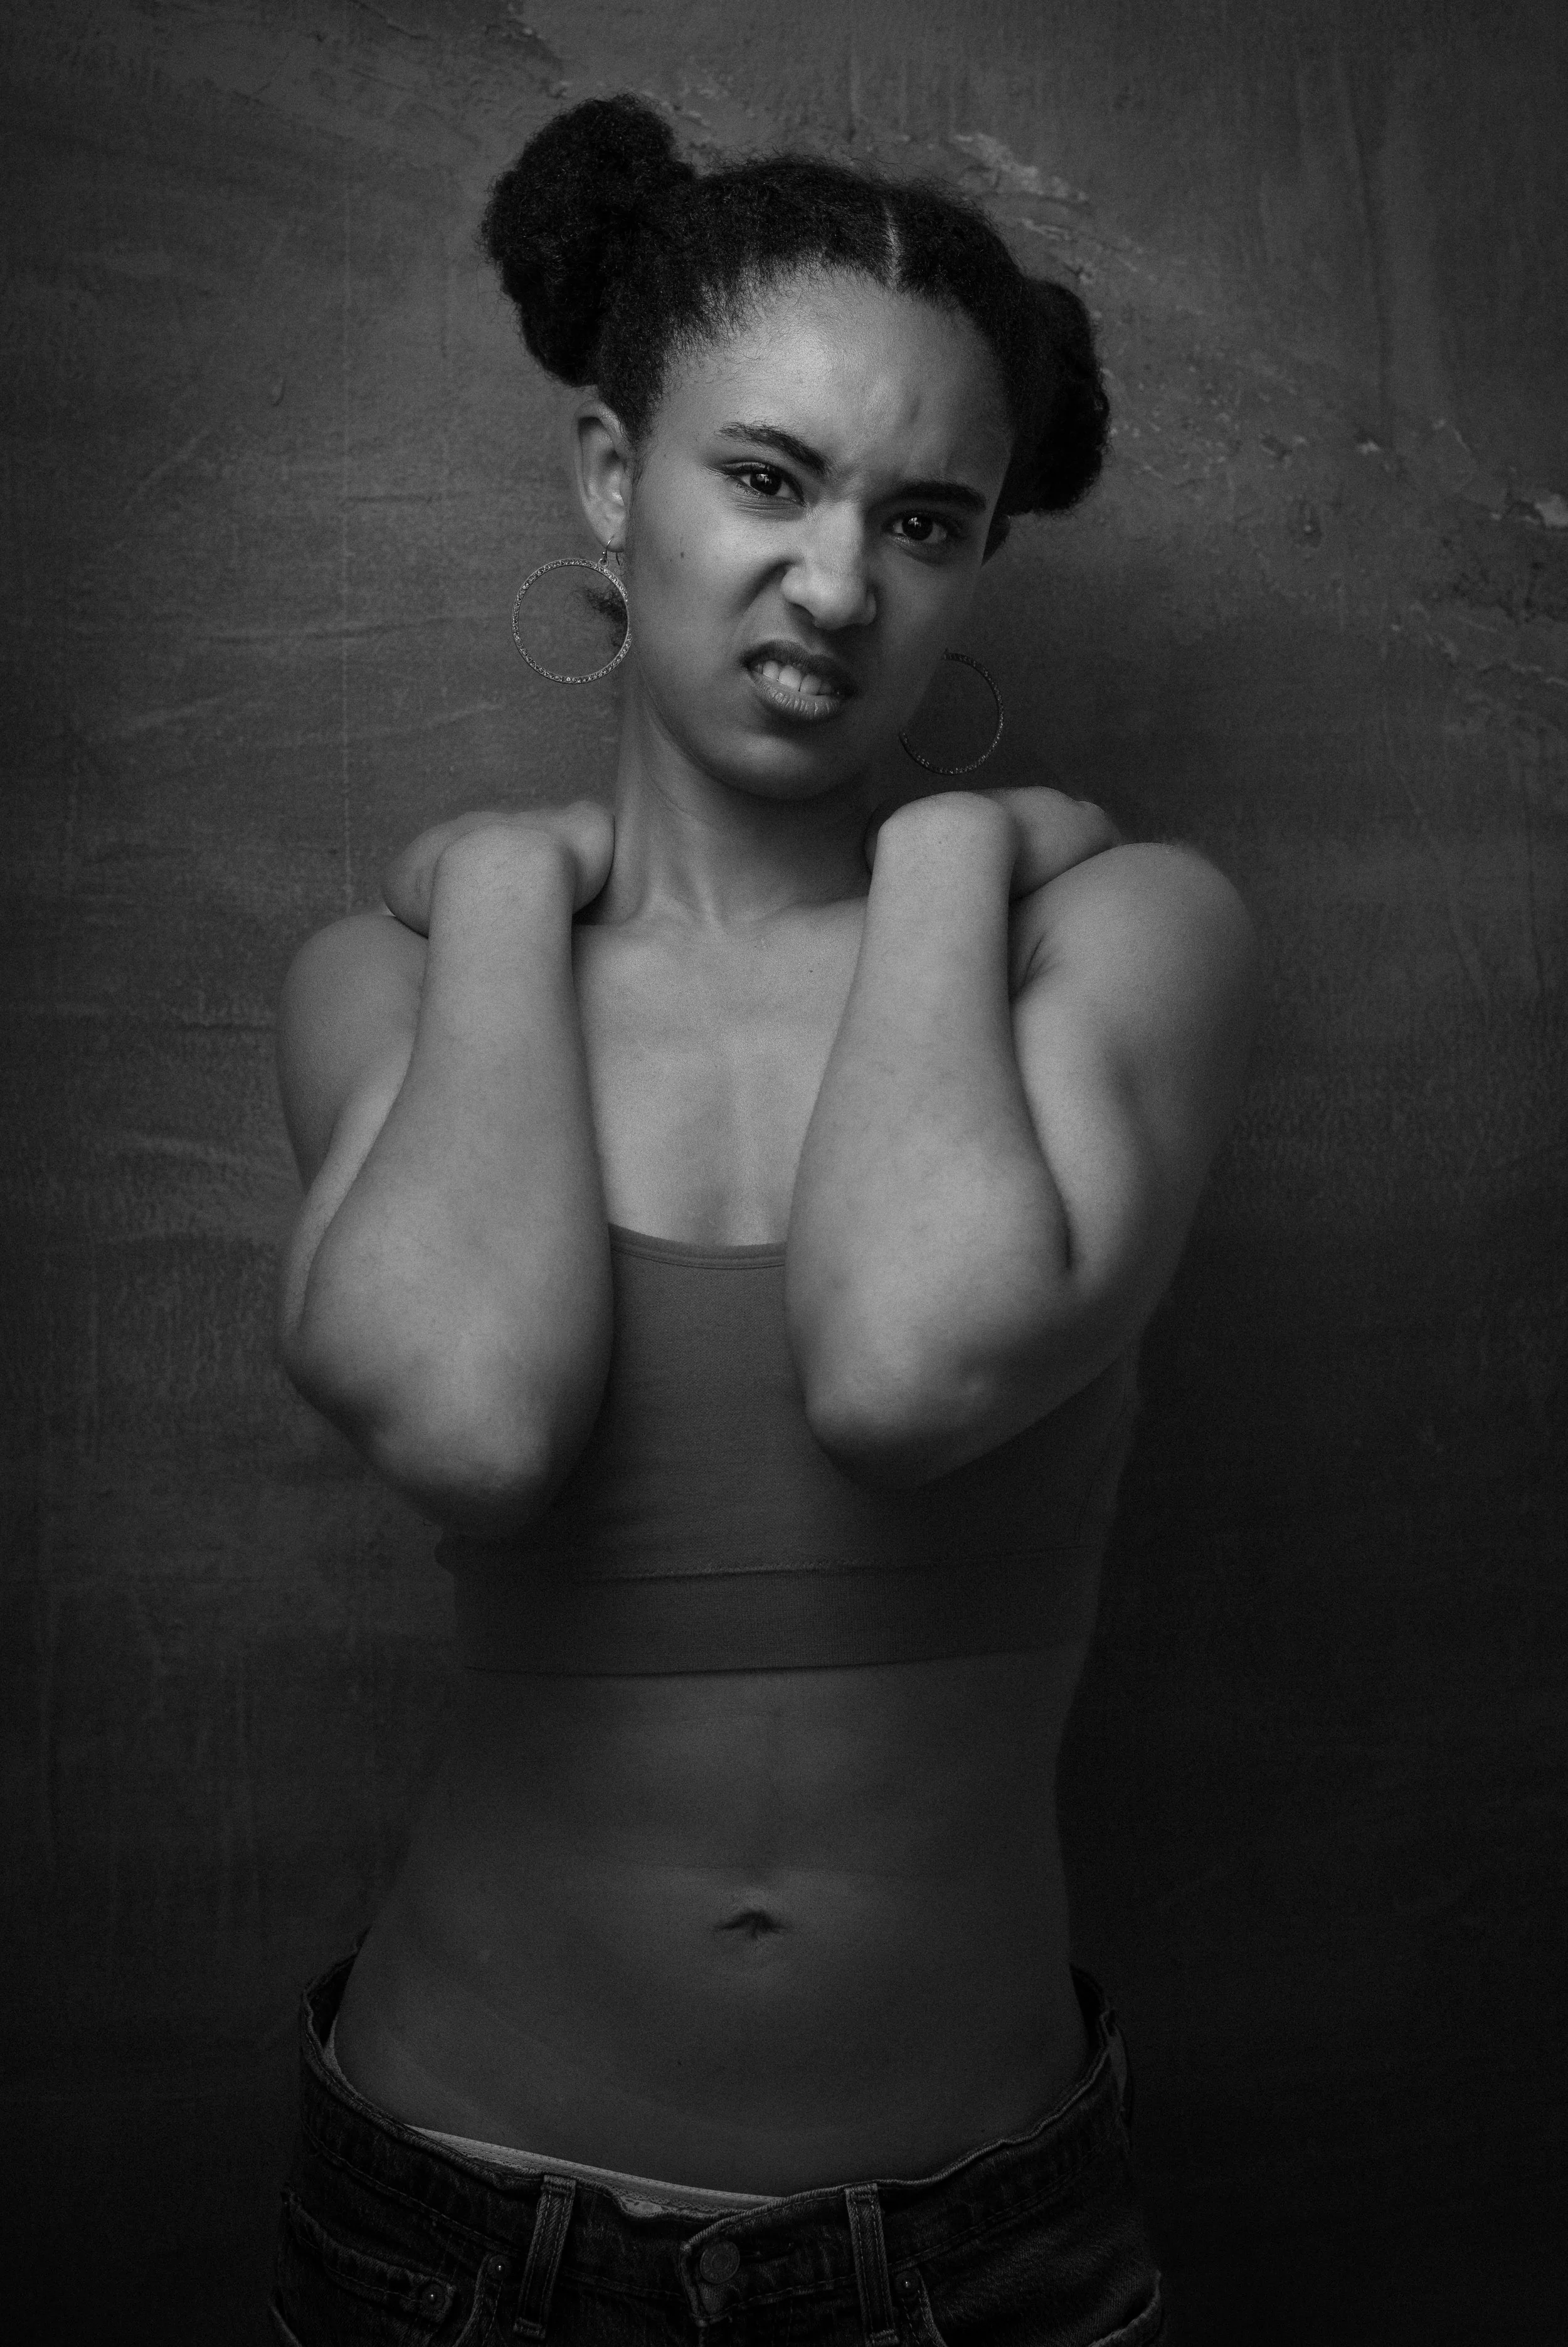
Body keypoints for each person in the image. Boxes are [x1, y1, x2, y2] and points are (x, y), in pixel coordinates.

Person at [269, 94, 1256, 2347]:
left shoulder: (1111, 943)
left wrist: (932, 864)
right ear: (616, 483)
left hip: (975, 2254)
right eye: (766, 479)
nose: (837, 585)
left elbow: (908, 1359)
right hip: (459, 2234)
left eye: (926, 519)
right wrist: (514, 893)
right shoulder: (393, 987)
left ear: (984, 559)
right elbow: (471, 1415)